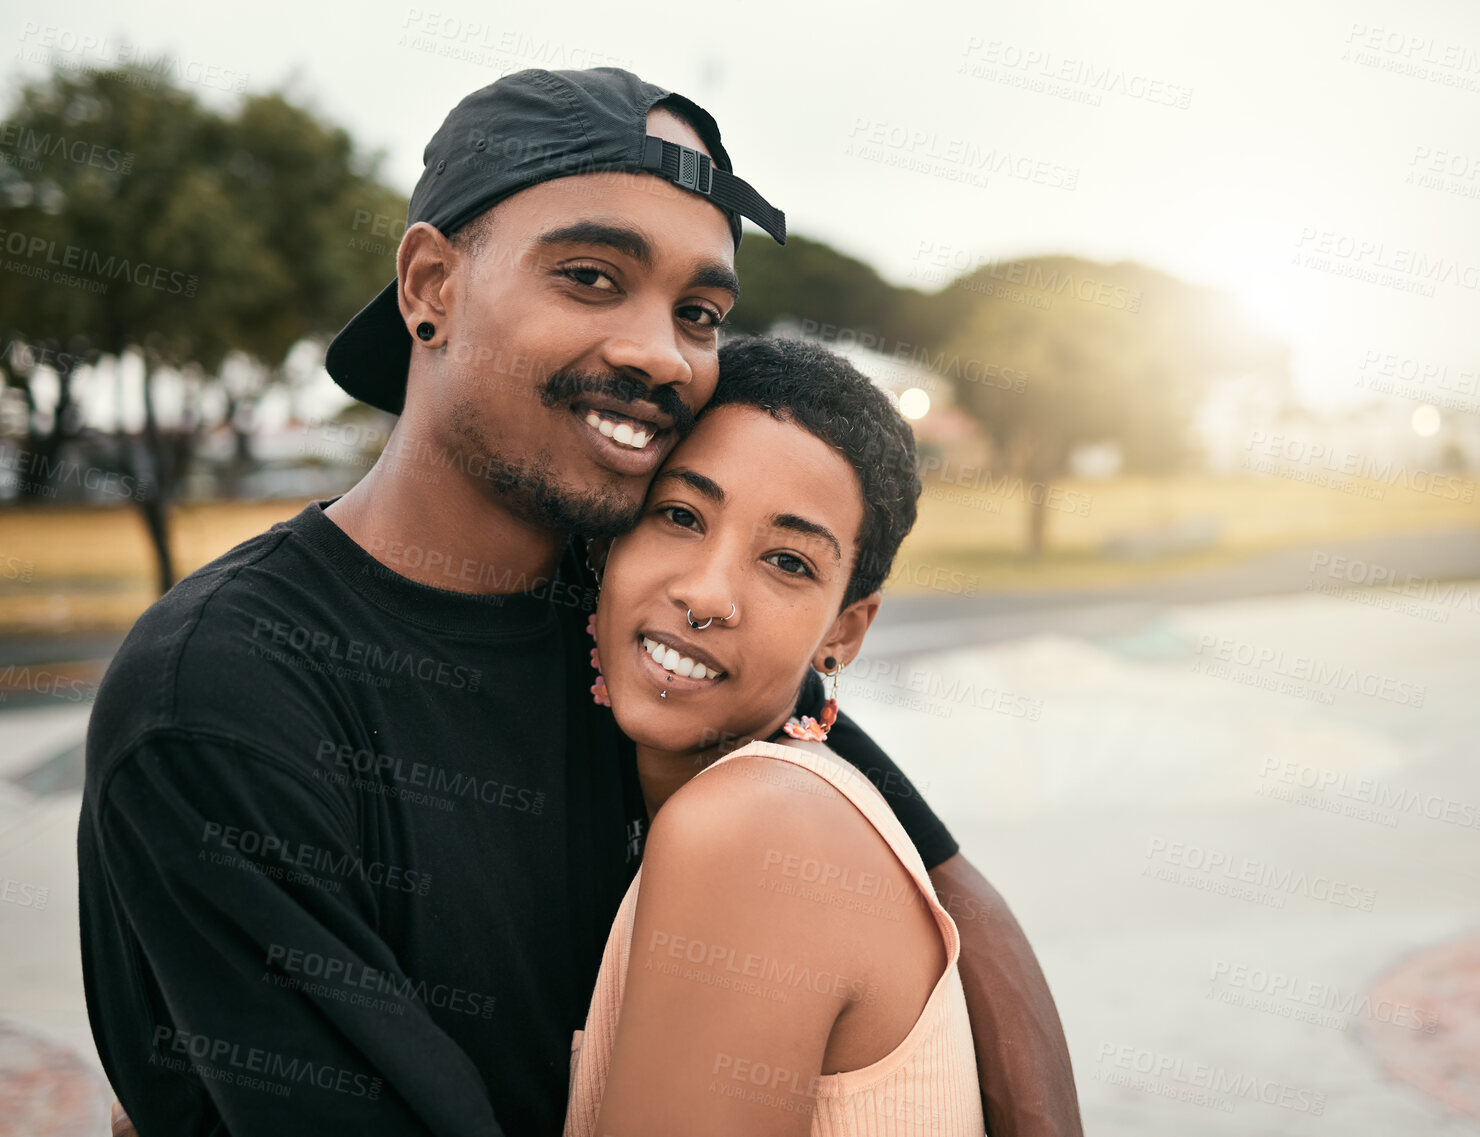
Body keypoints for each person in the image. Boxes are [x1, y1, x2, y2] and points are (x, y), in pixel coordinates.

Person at [77, 66, 1080, 1135]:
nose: (661, 353)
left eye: (698, 311)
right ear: (430, 287)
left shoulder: (629, 616)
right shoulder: (223, 695)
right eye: (593, 277)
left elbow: (952, 896)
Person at [567, 335, 981, 1135]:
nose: (707, 593)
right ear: (607, 537)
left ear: (846, 631)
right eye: (679, 515)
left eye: (788, 562)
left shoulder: (758, 825)